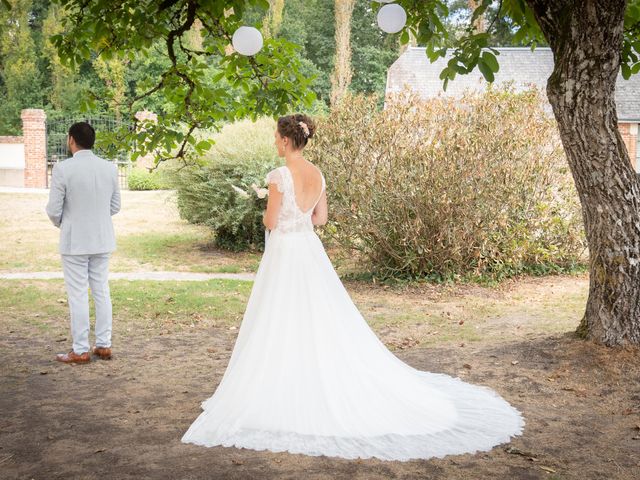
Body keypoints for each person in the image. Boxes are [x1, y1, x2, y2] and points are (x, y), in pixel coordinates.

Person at [181, 114, 524, 460]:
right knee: (316, 314)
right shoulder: (318, 174)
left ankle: (285, 378)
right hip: (309, 249)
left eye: (275, 137)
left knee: (279, 314)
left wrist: (269, 211)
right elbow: (321, 219)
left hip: (285, 251)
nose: (275, 142)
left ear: (286, 141)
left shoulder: (279, 175)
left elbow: (271, 221)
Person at [46, 122, 121, 364]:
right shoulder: (109, 168)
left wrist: (63, 224)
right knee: (101, 290)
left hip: (74, 241)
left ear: (71, 140)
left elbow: (54, 209)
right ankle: (104, 344)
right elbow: (115, 206)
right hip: (102, 239)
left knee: (78, 294)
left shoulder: (63, 169)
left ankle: (80, 349)